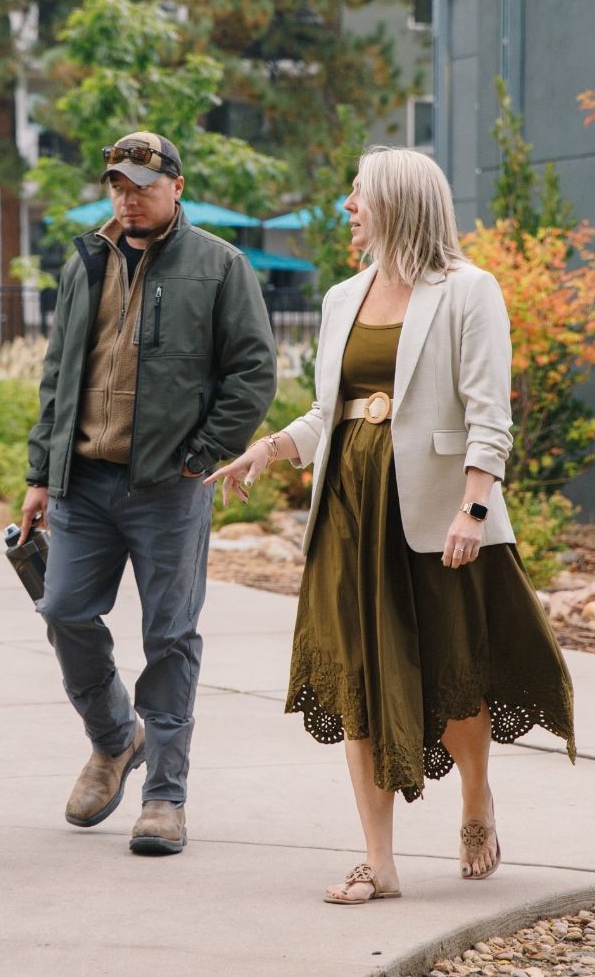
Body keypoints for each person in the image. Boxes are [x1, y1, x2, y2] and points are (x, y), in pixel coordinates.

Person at [208, 145, 575, 902]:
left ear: (398, 202)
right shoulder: (344, 296)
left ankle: (476, 795)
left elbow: (488, 416)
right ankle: (378, 861)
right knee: (359, 679)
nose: (347, 208)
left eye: (358, 195)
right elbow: (331, 410)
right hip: (350, 508)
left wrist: (475, 508)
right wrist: (273, 450)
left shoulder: (469, 292)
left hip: (436, 509)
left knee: (452, 671)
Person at [20, 131, 277, 856]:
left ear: (176, 187)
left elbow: (253, 372)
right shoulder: (86, 259)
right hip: (84, 481)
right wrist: (42, 473)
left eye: (142, 185)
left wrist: (203, 454)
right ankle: (113, 740)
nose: (128, 197)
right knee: (64, 610)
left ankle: (164, 796)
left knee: (169, 637)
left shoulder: (221, 266)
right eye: (118, 185)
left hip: (168, 488)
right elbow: (57, 373)